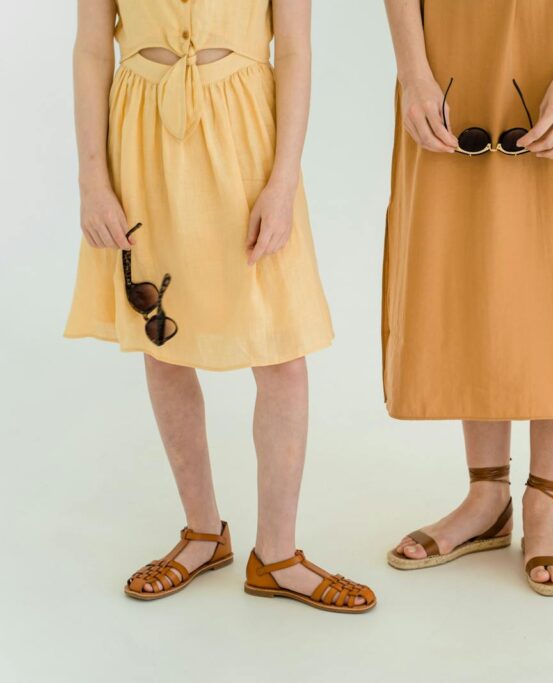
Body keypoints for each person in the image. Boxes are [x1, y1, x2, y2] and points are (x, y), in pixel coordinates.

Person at [66, 0, 374, 613]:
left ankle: (278, 555)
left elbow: (293, 48)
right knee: (163, 343)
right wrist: (92, 180)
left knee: (281, 349)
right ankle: (203, 532)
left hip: (245, 141)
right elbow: (94, 49)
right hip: (142, 139)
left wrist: (284, 179)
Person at [382, 0, 553, 596]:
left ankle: (543, 502)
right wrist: (413, 72)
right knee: (471, 265)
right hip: (449, 55)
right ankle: (486, 496)